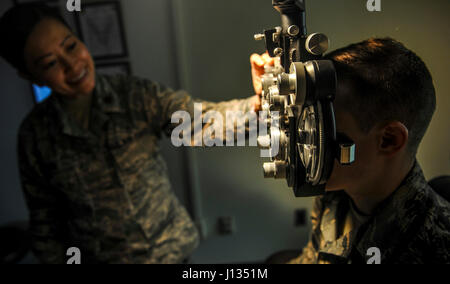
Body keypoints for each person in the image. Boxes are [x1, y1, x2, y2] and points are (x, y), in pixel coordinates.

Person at [0, 3, 272, 264]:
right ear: (31, 76)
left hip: (170, 252)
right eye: (50, 63)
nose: (72, 66)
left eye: (71, 46)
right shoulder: (35, 136)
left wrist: (260, 103)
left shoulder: (134, 95)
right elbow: (46, 224)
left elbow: (201, 124)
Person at [263, 37, 449, 264]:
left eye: (321, 127)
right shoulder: (335, 190)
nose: (303, 141)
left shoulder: (432, 250)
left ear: (389, 140)